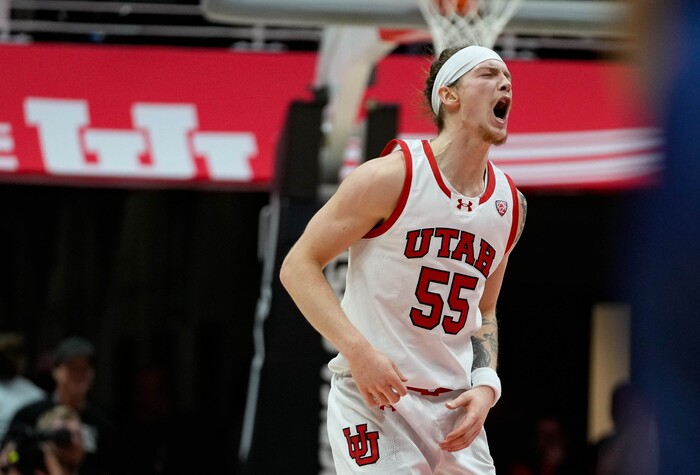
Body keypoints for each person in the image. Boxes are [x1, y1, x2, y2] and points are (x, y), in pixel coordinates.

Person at [280, 45, 526, 473]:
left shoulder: (510, 205)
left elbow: (484, 309)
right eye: (488, 74)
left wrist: (487, 385)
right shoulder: (391, 176)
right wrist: (358, 352)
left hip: (454, 407)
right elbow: (298, 265)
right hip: (375, 400)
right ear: (449, 96)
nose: (506, 83)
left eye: (508, 77)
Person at [3, 337, 115, 475]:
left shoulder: (102, 422)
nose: (79, 374)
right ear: (56, 371)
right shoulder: (30, 415)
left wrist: (75, 460)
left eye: (84, 368)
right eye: (72, 368)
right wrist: (40, 452)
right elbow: (8, 456)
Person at [0, 333, 46, 441]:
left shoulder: (36, 395)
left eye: (13, 354)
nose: (8, 360)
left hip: (15, 455)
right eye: (3, 355)